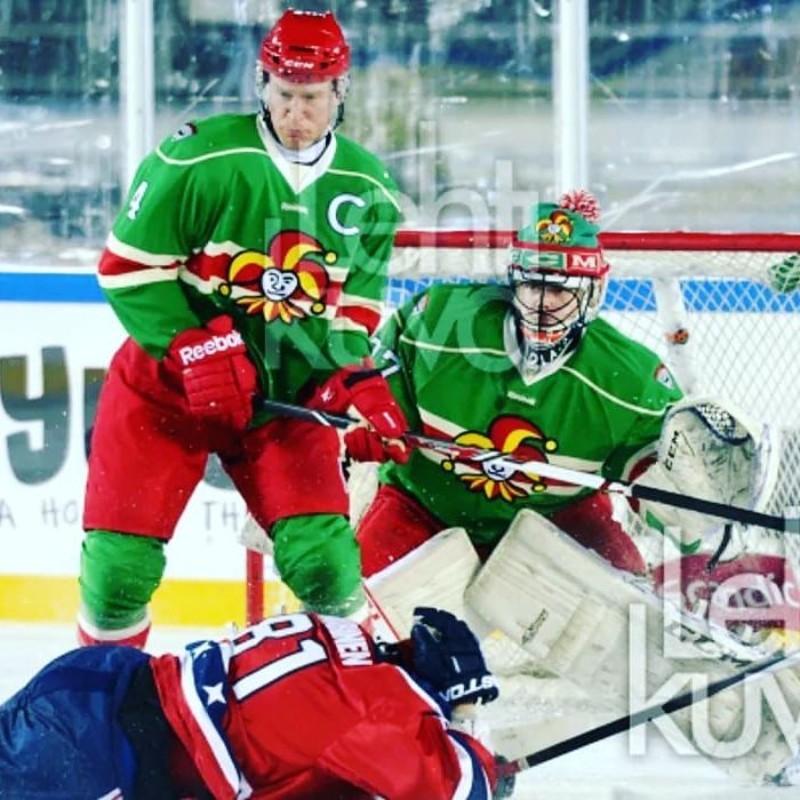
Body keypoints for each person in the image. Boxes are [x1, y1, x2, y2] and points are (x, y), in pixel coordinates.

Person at [79, 8, 408, 648]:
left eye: (311, 98)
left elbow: (353, 308)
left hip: (283, 397)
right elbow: (126, 268)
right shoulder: (199, 156)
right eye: (283, 94)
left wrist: (351, 376)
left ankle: (351, 691)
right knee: (118, 571)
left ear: (339, 93)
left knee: (325, 565)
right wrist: (193, 344)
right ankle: (100, 694)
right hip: (165, 389)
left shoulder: (370, 187)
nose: (295, 113)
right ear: (262, 83)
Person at [356, 190, 686, 579]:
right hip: (421, 507)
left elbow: (656, 474)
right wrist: (371, 421)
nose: (542, 306)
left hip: (557, 517)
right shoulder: (439, 323)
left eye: (559, 289)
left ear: (593, 292)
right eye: (533, 286)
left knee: (623, 597)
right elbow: (372, 384)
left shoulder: (632, 379)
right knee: (353, 597)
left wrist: (685, 511)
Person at [0, 607, 514, 799]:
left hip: (95, 683)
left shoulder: (340, 635)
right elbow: (460, 794)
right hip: (104, 755)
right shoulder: (377, 716)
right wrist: (468, 717)